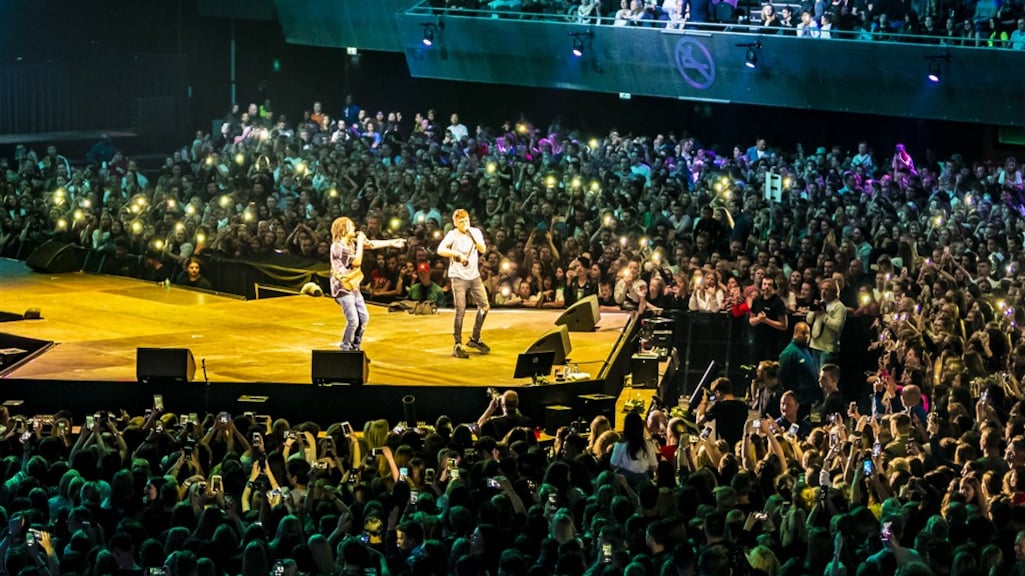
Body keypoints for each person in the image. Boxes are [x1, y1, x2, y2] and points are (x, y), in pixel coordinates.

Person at [329, 217, 405, 352]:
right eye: (351, 226)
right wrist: (359, 242)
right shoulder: (338, 247)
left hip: (353, 286)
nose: (355, 228)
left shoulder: (351, 242)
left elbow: (371, 245)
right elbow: (356, 261)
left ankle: (355, 348)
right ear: (343, 229)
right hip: (342, 287)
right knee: (353, 320)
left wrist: (392, 242)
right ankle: (345, 349)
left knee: (363, 318)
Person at [437, 209, 491, 359]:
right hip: (458, 277)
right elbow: (440, 249)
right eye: (461, 222)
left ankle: (475, 337)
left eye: (466, 221)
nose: (464, 224)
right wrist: (457, 254)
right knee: (460, 310)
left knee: (485, 307)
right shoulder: (452, 234)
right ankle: (458, 344)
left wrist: (472, 235)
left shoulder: (475, 232)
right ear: (455, 223)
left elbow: (483, 249)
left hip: (474, 276)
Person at [778, 321, 819, 418]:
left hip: (807, 398)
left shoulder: (805, 350)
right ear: (795, 333)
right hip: (797, 400)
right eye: (803, 333)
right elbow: (781, 376)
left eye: (808, 333)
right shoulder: (789, 353)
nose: (806, 336)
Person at [806, 278, 847, 365]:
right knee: (816, 373)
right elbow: (808, 320)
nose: (823, 292)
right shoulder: (820, 303)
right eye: (822, 289)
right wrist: (814, 310)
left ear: (833, 292)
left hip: (827, 348)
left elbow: (838, 326)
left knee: (824, 372)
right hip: (814, 345)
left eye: (827, 290)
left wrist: (823, 315)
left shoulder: (839, 307)